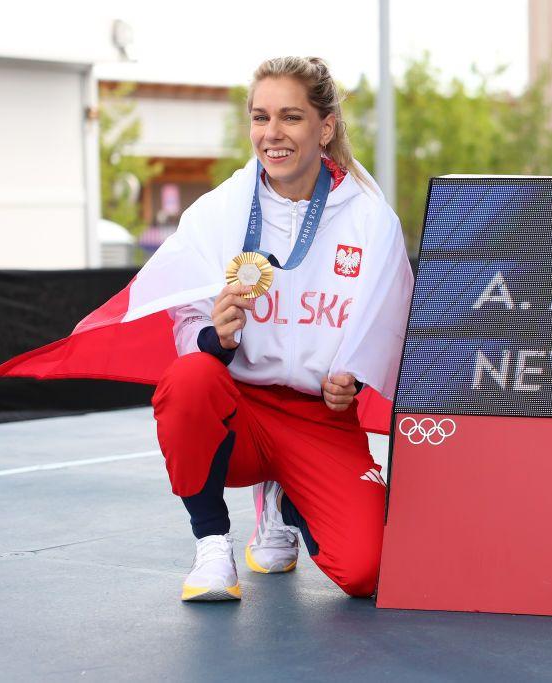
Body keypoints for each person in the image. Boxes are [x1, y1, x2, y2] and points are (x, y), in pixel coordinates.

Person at [152, 56, 413, 601]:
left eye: (291, 117)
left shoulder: (369, 219)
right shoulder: (217, 211)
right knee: (189, 378)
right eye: (260, 117)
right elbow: (186, 324)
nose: (272, 134)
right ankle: (213, 544)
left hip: (320, 420)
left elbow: (387, 328)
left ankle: (285, 499)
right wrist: (213, 337)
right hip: (241, 407)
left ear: (325, 126)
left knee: (369, 571)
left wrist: (354, 379)